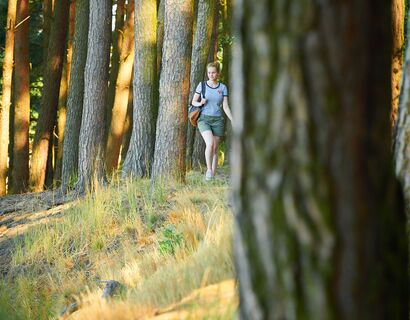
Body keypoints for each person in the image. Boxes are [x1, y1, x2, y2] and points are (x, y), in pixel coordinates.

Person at [191, 62, 233, 181]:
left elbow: (225, 106)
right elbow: (193, 101)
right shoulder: (202, 85)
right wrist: (200, 102)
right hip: (204, 119)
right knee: (209, 144)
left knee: (215, 148)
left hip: (218, 120)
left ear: (218, 73)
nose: (211, 74)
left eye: (213, 72)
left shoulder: (223, 87)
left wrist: (233, 120)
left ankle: (212, 176)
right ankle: (209, 171)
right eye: (209, 72)